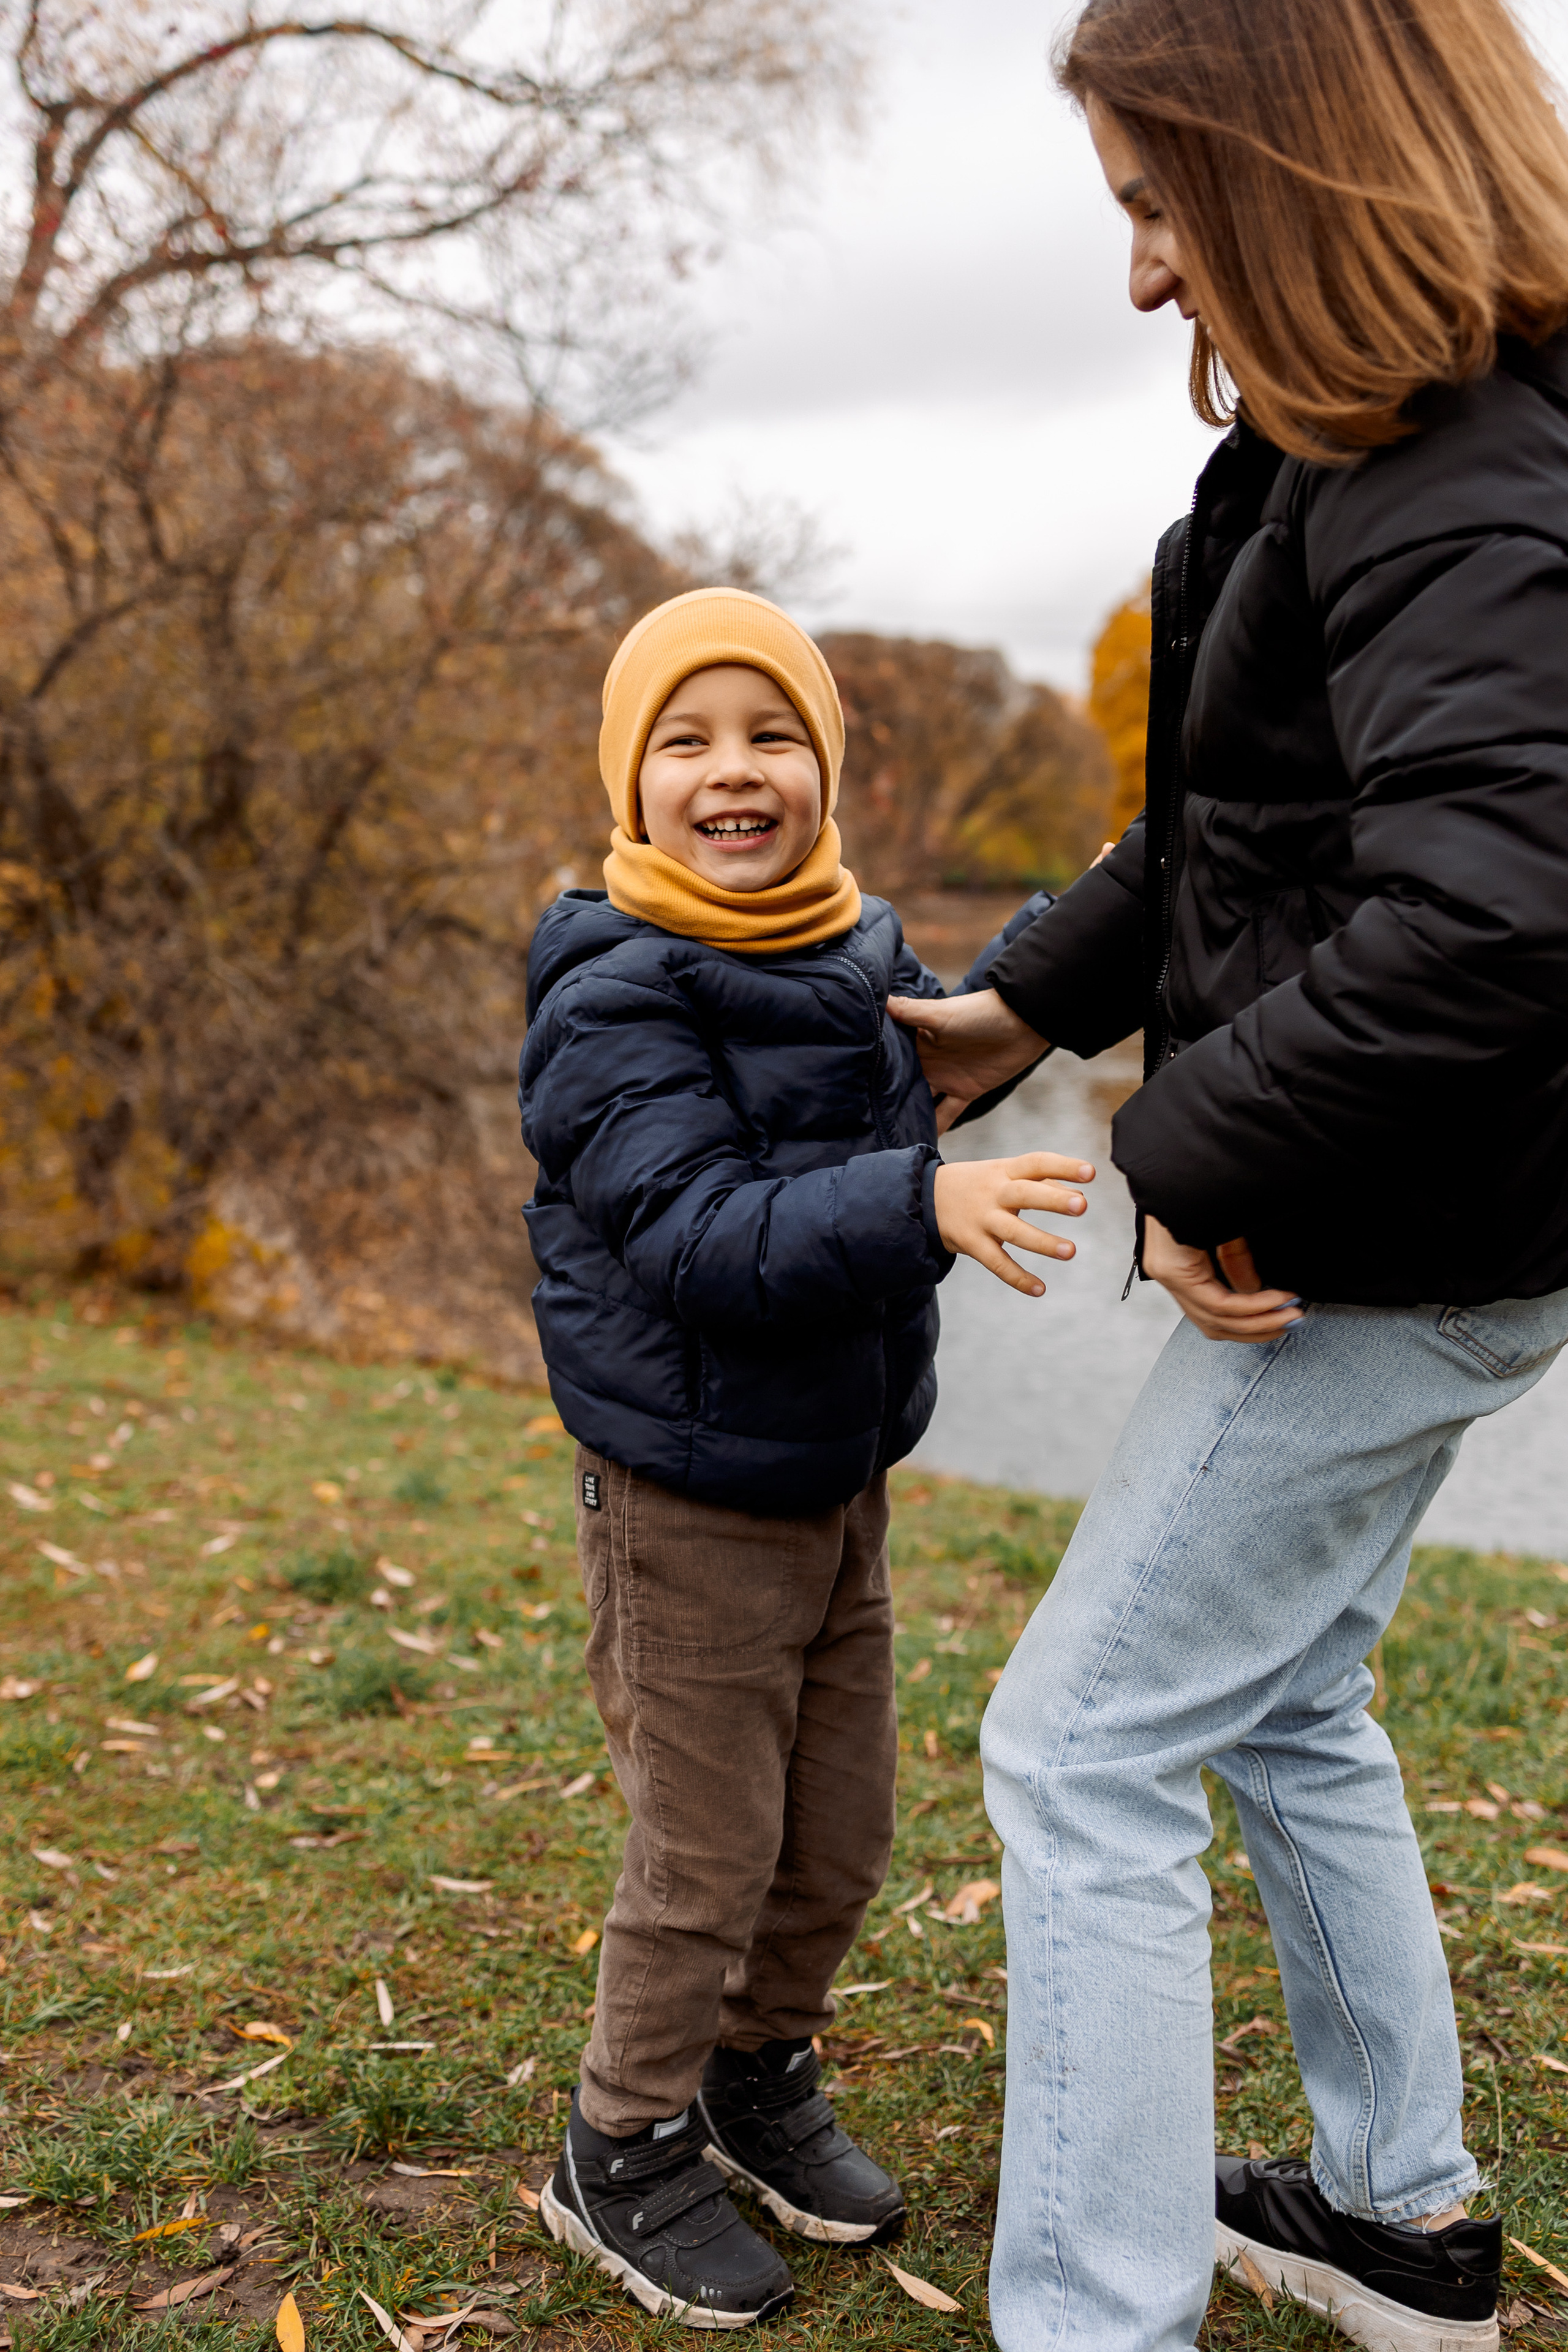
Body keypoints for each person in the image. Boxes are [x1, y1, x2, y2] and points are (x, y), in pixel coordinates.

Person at [886, 2, 1568, 2346]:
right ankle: (1396, 2220)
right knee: (1277, 1694)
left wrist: (1179, 1150)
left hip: (1405, 1242)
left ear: (1300, 178)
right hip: (1429, 1220)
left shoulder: (1467, 477)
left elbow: (1490, 917)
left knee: (1077, 1747)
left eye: (1164, 210)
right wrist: (1025, 1010)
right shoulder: (1344, 447)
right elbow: (1234, 832)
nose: (1150, 276)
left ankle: (1095, 2314)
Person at [518, 586, 1095, 2329]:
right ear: (633, 782)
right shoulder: (612, 984)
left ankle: (755, 2081)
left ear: (827, 770)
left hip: (837, 1480)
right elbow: (698, 1230)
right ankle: (616, 2147)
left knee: (834, 1839)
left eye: (771, 735)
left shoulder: (854, 945)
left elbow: (931, 1079)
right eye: (685, 742)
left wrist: (1070, 971)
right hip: (687, 1496)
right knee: (704, 1854)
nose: (734, 772)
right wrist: (921, 1203)